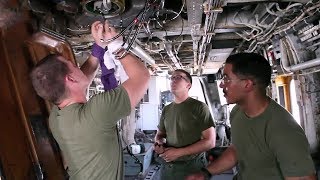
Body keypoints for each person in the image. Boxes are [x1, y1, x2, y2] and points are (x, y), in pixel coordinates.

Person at [30, 20, 150, 180]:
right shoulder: (96, 112)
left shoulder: (57, 117)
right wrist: (116, 47)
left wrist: (99, 48)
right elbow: (142, 76)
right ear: (70, 79)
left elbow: (78, 81)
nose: (76, 66)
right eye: (73, 65)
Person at [186, 52, 316, 180]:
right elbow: (237, 150)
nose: (221, 84)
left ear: (247, 84)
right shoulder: (237, 112)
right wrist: (205, 173)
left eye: (226, 78)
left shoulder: (283, 130)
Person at [154, 69, 216, 180]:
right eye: (172, 78)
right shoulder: (166, 109)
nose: (173, 80)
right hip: (168, 169)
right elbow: (160, 135)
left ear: (188, 85)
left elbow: (210, 142)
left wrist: (179, 152)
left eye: (178, 77)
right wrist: (160, 144)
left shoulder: (199, 107)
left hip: (192, 168)